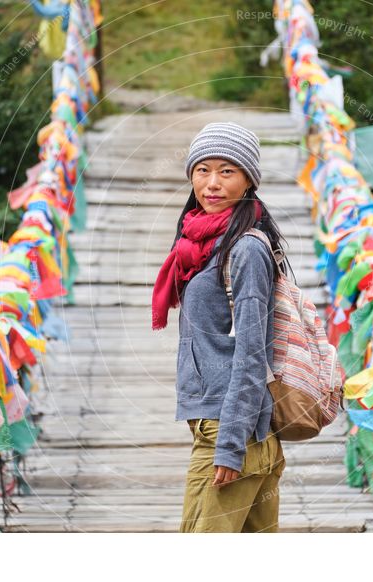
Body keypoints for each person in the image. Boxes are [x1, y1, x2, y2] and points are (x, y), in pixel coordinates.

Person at [151, 122, 292, 532]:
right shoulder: (201, 246)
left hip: (231, 433)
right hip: (242, 432)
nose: (212, 183)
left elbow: (252, 354)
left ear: (248, 180)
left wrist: (229, 445)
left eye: (227, 171)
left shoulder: (245, 249)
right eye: (203, 170)